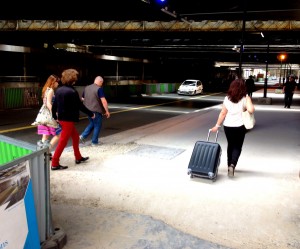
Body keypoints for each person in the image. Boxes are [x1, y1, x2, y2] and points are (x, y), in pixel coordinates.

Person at [51, 69, 95, 170]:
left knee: (75, 137)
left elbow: (55, 105)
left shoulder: (59, 90)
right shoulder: (72, 91)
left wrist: (54, 116)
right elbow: (80, 106)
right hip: (68, 120)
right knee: (63, 141)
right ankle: (54, 163)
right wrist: (91, 113)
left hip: (62, 119)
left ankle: (78, 157)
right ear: (73, 80)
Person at [210, 78, 255, 177]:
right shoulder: (245, 98)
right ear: (243, 87)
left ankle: (228, 165)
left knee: (230, 145)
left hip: (228, 126)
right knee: (237, 146)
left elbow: (223, 113)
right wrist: (247, 105)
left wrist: (217, 126)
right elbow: (251, 110)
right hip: (240, 126)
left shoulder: (227, 98)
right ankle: (232, 164)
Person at [79, 76, 110, 146]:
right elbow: (103, 101)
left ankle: (83, 136)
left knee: (92, 123)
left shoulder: (87, 88)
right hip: (96, 110)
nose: (102, 84)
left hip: (88, 110)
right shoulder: (99, 89)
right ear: (100, 82)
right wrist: (107, 111)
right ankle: (94, 142)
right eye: (102, 83)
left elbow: (82, 98)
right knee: (97, 125)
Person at [36, 74, 61, 157]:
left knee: (45, 135)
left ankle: (42, 153)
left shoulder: (45, 90)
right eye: (57, 82)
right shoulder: (51, 91)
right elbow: (48, 104)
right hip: (49, 116)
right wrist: (55, 114)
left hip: (44, 115)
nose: (58, 83)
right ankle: (46, 152)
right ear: (53, 82)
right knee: (58, 134)